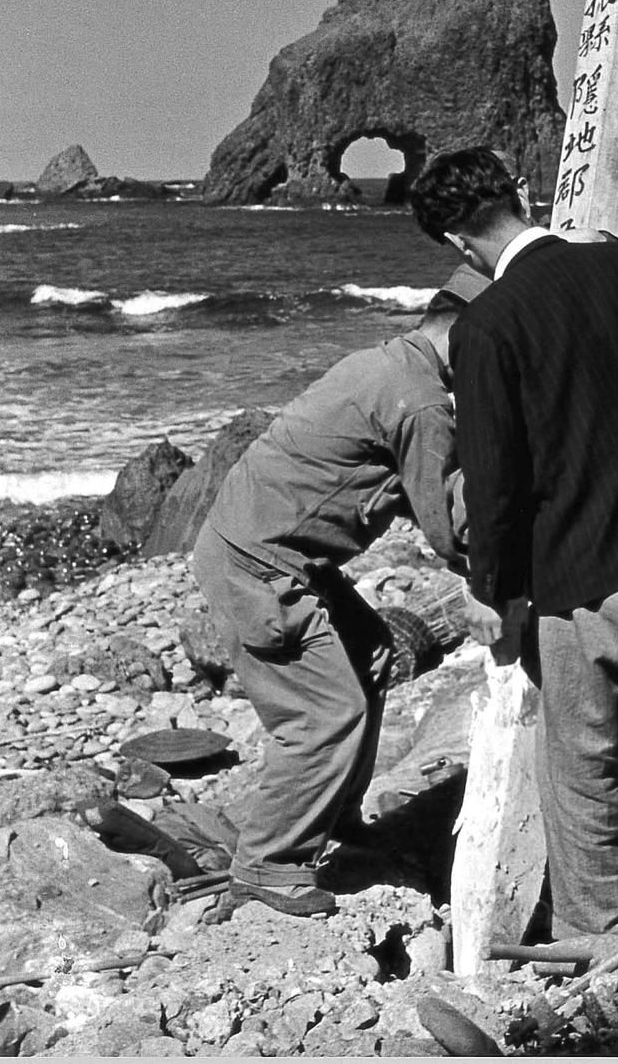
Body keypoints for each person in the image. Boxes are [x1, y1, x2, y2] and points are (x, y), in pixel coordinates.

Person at [410, 145, 618, 945]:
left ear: (456, 244)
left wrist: (495, 593)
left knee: (582, 773)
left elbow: (495, 488)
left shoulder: (488, 326)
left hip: (589, 584)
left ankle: (603, 946)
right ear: (520, 194)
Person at [191, 264, 485, 916]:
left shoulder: (388, 364)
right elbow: (443, 524)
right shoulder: (422, 403)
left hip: (265, 547)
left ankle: (333, 814)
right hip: (260, 567)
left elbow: (401, 485)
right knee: (324, 715)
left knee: (369, 652)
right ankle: (269, 862)